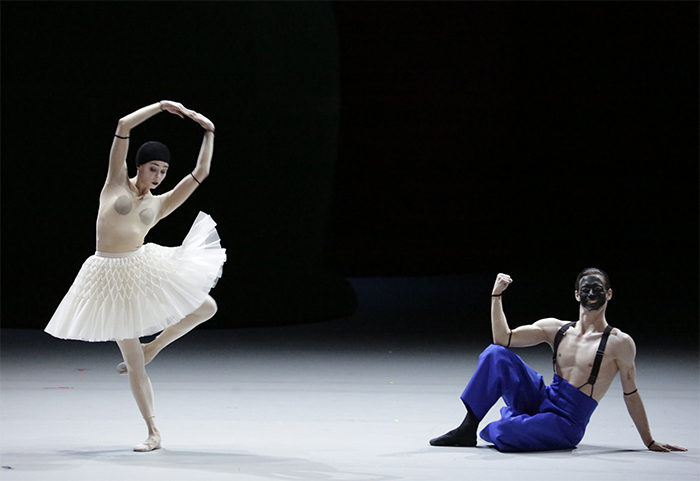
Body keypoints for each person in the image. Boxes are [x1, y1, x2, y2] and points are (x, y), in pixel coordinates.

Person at [45, 101, 226, 452]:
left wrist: (209, 132)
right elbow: (124, 124)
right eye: (153, 168)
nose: (158, 176)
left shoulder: (160, 203)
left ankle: (155, 345)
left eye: (163, 171)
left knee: (207, 307)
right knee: (132, 362)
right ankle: (153, 431)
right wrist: (162, 107)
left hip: (141, 268)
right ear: (139, 166)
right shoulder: (114, 185)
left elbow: (201, 173)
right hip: (107, 277)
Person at [429, 269, 686, 453]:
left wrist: (649, 440)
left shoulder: (619, 343)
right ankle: (467, 429)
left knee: (503, 432)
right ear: (576, 295)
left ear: (609, 294)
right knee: (494, 354)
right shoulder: (558, 329)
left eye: (598, 289)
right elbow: (503, 338)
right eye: (586, 289)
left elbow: (631, 393)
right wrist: (496, 296)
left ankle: (518, 422)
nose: (591, 293)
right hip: (543, 398)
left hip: (567, 422)